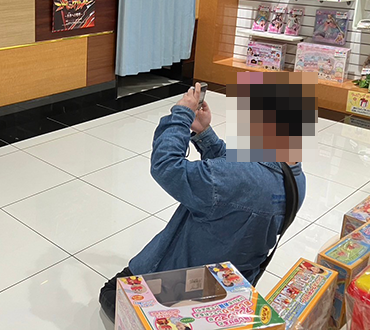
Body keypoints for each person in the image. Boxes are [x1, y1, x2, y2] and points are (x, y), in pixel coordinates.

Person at [99, 79, 309, 321]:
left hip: (180, 284)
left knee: (110, 292)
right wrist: (204, 133)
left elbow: (167, 167)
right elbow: (238, 173)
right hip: (231, 282)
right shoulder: (297, 180)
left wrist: (181, 115)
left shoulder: (236, 175)